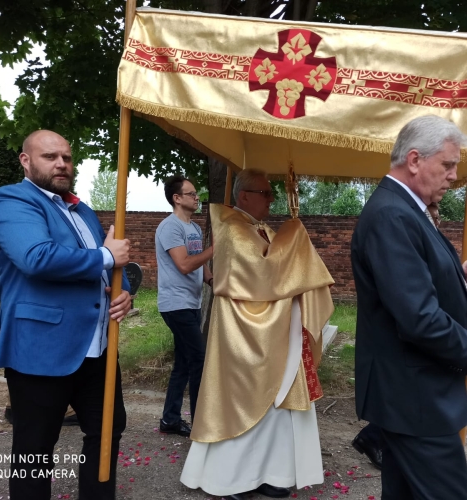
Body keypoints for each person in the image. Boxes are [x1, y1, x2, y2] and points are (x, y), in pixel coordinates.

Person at [0, 130, 132, 500]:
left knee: (106, 434)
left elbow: (113, 263)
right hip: (41, 349)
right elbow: (36, 257)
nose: (61, 164)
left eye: (66, 157)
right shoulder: (11, 200)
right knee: (34, 448)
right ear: (26, 161)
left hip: (97, 348)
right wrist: (106, 256)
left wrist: (124, 290)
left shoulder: (82, 210)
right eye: (50, 157)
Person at [181, 169, 334, 500]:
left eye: (271, 193)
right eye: (265, 193)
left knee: (273, 409)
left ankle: (267, 473)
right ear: (244, 196)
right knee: (240, 403)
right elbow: (265, 275)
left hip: (273, 333)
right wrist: (295, 234)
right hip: (243, 336)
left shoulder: (259, 228)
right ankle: (230, 479)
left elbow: (280, 269)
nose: (271, 199)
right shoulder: (233, 229)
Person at [351, 115, 467, 499]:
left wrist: (458, 277)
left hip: (409, 394)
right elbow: (419, 318)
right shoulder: (393, 213)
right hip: (416, 398)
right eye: (447, 165)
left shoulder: (406, 208)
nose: (453, 176)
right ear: (415, 160)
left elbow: (416, 283)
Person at [351, 200, 442, 472]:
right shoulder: (399, 233)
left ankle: (377, 439)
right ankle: (373, 437)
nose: (437, 222)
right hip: (405, 336)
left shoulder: (431, 242)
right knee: (405, 399)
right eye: (433, 217)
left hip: (419, 334)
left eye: (438, 218)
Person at [156, 176, 213, 437]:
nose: (196, 197)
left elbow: (199, 263)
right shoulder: (170, 227)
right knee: (199, 359)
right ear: (176, 198)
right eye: (191, 194)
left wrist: (211, 280)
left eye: (196, 193)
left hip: (191, 302)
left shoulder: (195, 228)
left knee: (182, 362)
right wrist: (216, 248)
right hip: (175, 304)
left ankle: (170, 420)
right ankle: (201, 424)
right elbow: (185, 264)